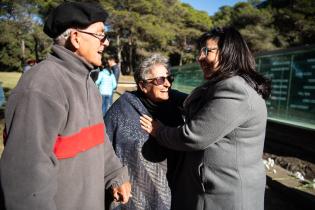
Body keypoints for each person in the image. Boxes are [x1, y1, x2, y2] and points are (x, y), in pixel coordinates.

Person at [0, 2, 131, 210]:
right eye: (100, 35)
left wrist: (114, 174)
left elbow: (98, 138)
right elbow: (25, 181)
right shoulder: (41, 86)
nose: (105, 43)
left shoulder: (88, 82)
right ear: (76, 38)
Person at [140, 27, 271, 210]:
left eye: (206, 51)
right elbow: (194, 102)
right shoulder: (226, 84)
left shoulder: (234, 90)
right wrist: (163, 92)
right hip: (215, 190)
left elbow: (192, 136)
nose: (200, 57)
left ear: (228, 52)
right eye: (200, 51)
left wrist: (158, 131)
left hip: (225, 197)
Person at [104, 54, 187, 210]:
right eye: (160, 80)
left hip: (176, 190)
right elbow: (104, 147)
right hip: (132, 194)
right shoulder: (122, 110)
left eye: (169, 78)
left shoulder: (176, 106)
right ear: (143, 86)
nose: (167, 84)